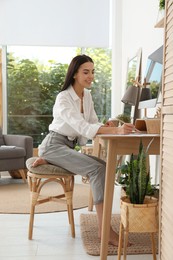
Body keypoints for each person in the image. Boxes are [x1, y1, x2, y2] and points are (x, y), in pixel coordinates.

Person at [32, 54, 135, 246]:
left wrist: (107, 124)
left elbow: (92, 123)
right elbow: (82, 127)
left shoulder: (86, 96)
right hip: (53, 144)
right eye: (86, 72)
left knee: (104, 165)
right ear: (74, 74)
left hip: (67, 146)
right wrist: (117, 130)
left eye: (92, 72)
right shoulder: (63, 98)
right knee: (97, 169)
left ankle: (52, 159)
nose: (91, 76)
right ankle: (105, 231)